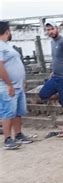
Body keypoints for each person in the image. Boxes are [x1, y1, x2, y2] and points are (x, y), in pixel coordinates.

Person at [0, 21, 33, 150]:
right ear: (7, 31)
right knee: (8, 112)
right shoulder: (0, 46)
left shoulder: (7, 46)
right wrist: (9, 84)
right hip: (8, 86)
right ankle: (7, 139)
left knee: (18, 112)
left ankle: (18, 134)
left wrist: (22, 80)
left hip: (17, 85)